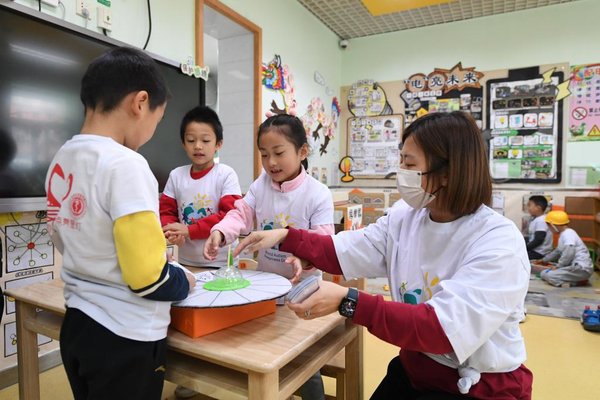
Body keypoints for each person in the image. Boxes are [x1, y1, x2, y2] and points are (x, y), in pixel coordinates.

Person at [234, 111, 533, 399]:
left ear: (446, 173)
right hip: (416, 368)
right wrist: (287, 236)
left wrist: (347, 301)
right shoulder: (407, 216)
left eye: (409, 163)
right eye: (400, 159)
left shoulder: (498, 242)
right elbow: (346, 250)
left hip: (480, 386)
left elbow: (440, 328)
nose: (400, 172)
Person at [45, 47, 195, 400]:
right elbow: (147, 278)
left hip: (78, 324)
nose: (151, 132)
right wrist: (183, 279)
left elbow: (61, 236)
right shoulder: (126, 164)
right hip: (126, 335)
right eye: (157, 121)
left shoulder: (62, 156)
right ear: (140, 103)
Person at [204, 113, 334, 400]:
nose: (271, 163)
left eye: (278, 153)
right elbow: (241, 213)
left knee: (301, 355)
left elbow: (325, 241)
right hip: (266, 284)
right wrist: (221, 232)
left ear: (302, 151)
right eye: (264, 155)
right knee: (263, 344)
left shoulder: (318, 193)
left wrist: (305, 256)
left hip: (305, 287)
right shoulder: (260, 185)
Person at [160, 105, 242, 267]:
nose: (198, 146)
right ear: (183, 143)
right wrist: (172, 232)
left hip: (221, 262)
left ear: (218, 144)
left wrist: (190, 230)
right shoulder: (176, 175)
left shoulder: (226, 174)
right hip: (184, 261)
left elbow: (229, 215)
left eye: (205, 140)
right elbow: (166, 212)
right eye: (191, 140)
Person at [534, 210, 593, 287]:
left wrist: (558, 266)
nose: (549, 229)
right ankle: (577, 280)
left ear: (552, 225)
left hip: (580, 269)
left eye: (548, 226)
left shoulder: (568, 234)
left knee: (548, 275)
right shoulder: (564, 234)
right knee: (544, 273)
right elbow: (557, 251)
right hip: (576, 268)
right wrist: (544, 260)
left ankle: (575, 283)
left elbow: (569, 253)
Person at [525, 195, 553, 260]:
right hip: (536, 251)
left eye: (529, 205)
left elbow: (539, 239)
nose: (528, 208)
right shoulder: (537, 219)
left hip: (540, 253)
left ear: (538, 207)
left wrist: (525, 248)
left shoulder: (541, 220)